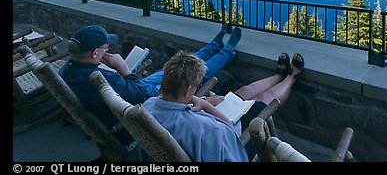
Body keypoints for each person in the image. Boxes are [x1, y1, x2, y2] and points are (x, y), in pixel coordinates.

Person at [59, 23, 242, 144]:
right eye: (105, 49)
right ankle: (228, 50)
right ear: (94, 54)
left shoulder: (68, 70)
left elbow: (128, 90)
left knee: (171, 68)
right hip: (148, 100)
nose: (108, 51)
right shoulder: (98, 78)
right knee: (191, 73)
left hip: (134, 91)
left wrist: (124, 75)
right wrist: (123, 69)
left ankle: (213, 46)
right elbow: (138, 97)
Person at [143, 51, 305, 162]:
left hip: (198, 130)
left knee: (241, 92)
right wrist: (207, 106)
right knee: (261, 101)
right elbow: (228, 130)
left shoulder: (148, 105)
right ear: (188, 91)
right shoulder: (205, 130)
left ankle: (278, 75)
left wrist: (203, 101)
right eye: (196, 87)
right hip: (237, 143)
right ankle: (291, 77)